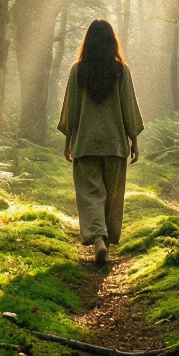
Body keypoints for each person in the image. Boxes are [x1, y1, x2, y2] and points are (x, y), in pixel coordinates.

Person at [57, 19, 144, 265]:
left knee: (90, 194)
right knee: (113, 196)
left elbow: (70, 109)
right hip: (115, 143)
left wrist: (68, 139)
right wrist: (133, 140)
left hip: (85, 143)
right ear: (112, 42)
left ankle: (98, 239)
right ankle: (105, 238)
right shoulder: (121, 70)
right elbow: (129, 107)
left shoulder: (78, 70)